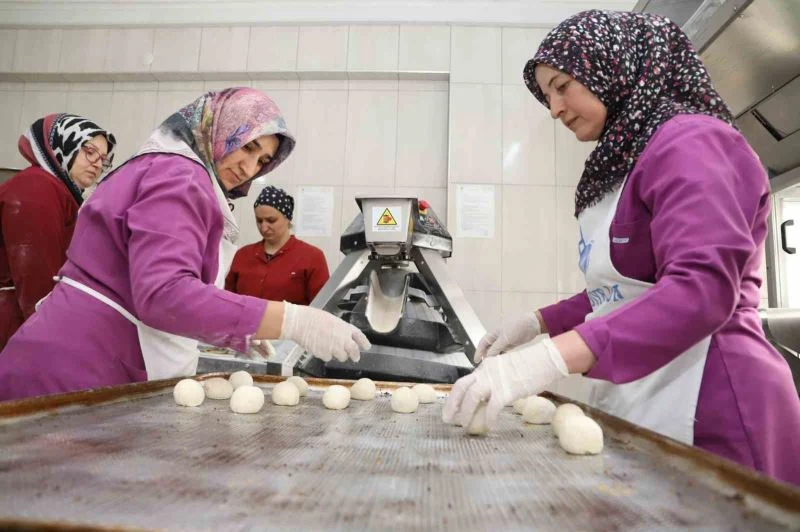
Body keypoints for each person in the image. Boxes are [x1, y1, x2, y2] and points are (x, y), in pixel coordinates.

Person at [442, 10, 800, 485]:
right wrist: (536, 324)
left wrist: (548, 359)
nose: (554, 109)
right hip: (643, 398)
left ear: (612, 66)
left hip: (713, 406)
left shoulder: (694, 141)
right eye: (546, 95)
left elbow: (702, 291)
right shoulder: (625, 162)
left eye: (563, 85)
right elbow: (624, 292)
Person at [0, 88, 369, 400]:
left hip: (75, 360)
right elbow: (164, 293)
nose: (248, 167)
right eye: (247, 145)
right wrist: (292, 321)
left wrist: (234, 328)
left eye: (262, 160)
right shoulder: (180, 176)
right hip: (71, 370)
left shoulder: (163, 165)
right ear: (219, 127)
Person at [0, 114, 116, 350]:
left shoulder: (59, 193)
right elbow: (36, 275)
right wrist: (54, 338)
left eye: (103, 159)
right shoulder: (36, 188)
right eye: (89, 151)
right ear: (63, 145)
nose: (96, 163)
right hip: (11, 323)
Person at [226, 185, 329, 305]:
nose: (264, 227)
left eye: (271, 220)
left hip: (291, 324)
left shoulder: (312, 257)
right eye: (259, 220)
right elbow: (228, 301)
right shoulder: (243, 255)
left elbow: (322, 308)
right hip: (246, 324)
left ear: (288, 218)